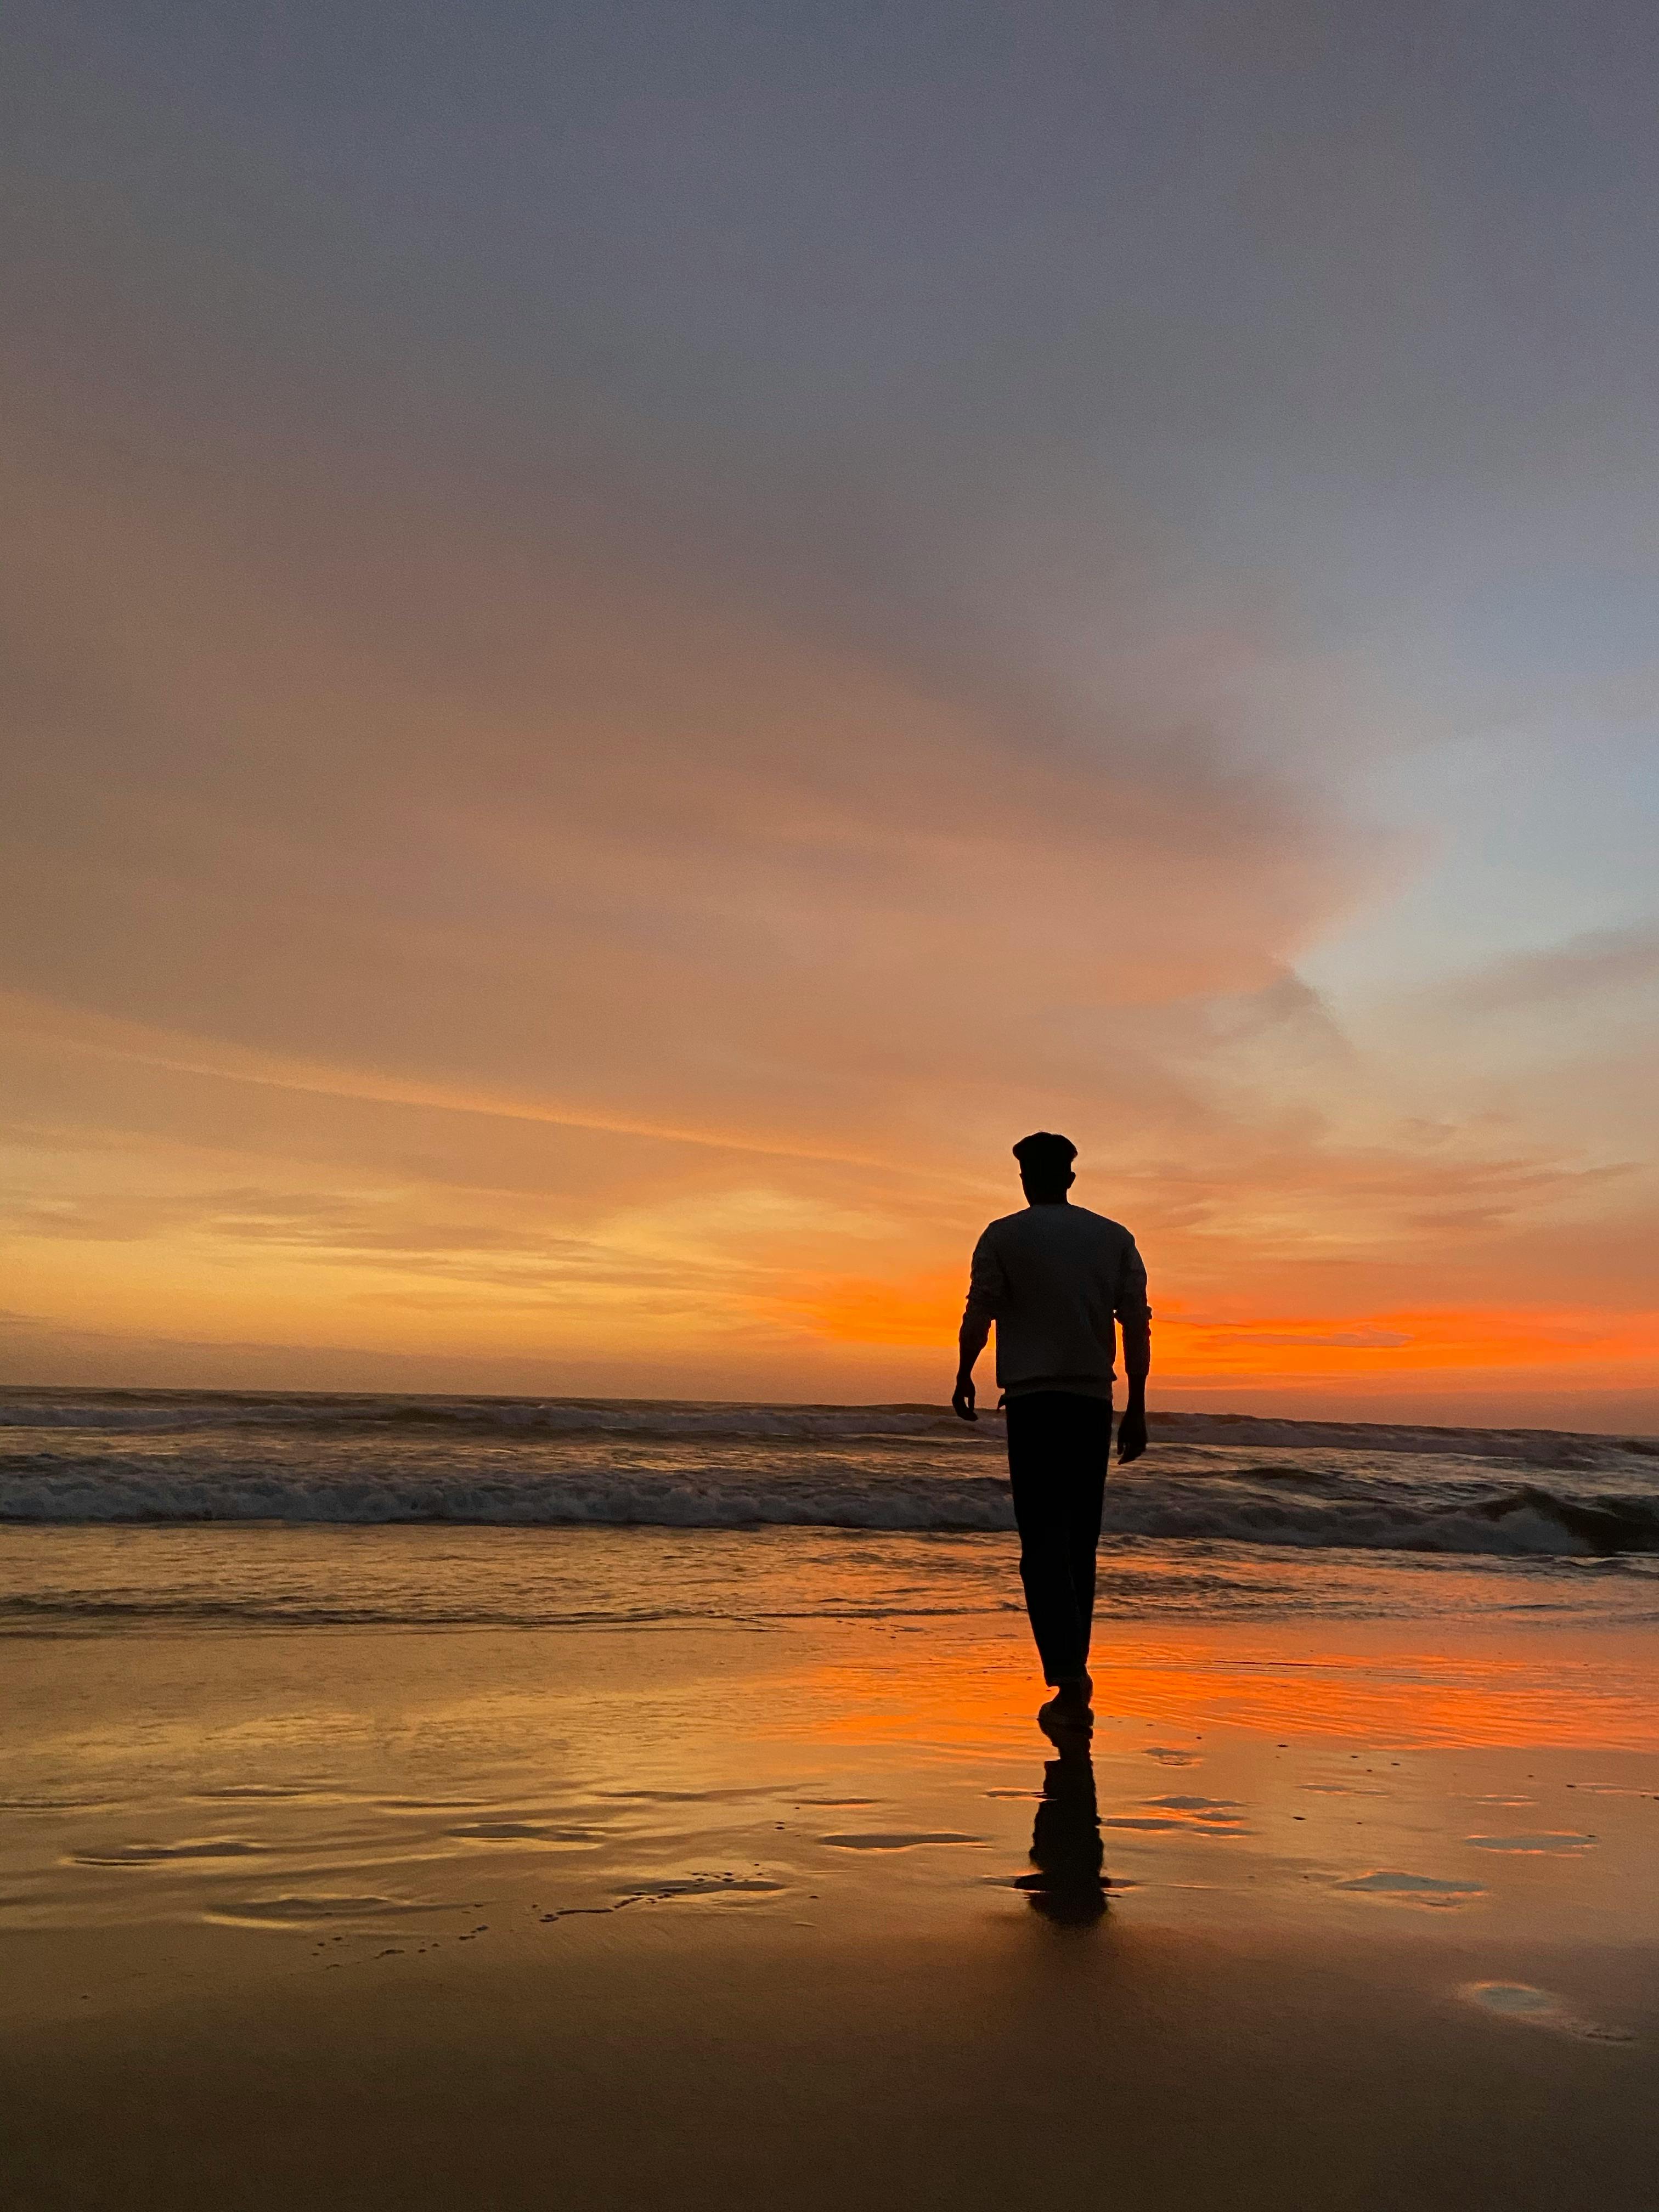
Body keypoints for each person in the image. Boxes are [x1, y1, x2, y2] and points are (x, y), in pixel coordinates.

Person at [952, 1132, 1150, 1734]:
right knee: (1079, 1544)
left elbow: (980, 1310)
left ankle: (1068, 1674)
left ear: (1026, 1178)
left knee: (1041, 1545)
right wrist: (1137, 1404)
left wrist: (964, 1372)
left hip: (1034, 1404)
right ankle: (1073, 1673)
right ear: (1069, 1177)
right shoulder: (1112, 1237)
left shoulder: (1003, 1235)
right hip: (1090, 1402)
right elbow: (1136, 1324)